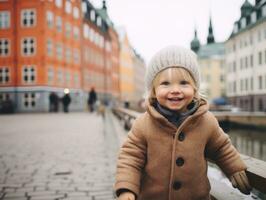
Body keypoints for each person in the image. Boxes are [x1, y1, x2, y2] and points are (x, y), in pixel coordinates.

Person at [115, 46, 252, 200]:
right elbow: (130, 158)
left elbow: (221, 148)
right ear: (153, 91)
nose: (175, 90)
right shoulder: (143, 124)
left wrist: (234, 167)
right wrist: (126, 188)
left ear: (194, 89)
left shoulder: (206, 121)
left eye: (183, 83)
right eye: (165, 83)